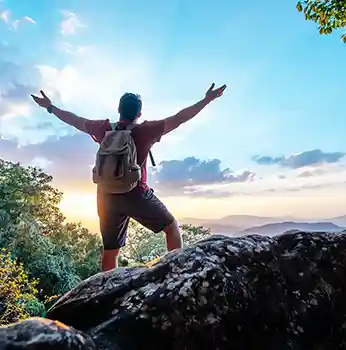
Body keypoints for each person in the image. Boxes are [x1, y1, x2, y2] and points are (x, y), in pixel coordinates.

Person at [31, 83, 227, 271]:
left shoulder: (104, 128)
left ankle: (106, 293)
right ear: (139, 114)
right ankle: (176, 273)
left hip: (106, 196)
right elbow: (180, 117)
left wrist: (50, 107)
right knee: (172, 228)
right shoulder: (146, 130)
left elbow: (74, 120)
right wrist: (206, 100)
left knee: (110, 251)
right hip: (136, 194)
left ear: (118, 109)